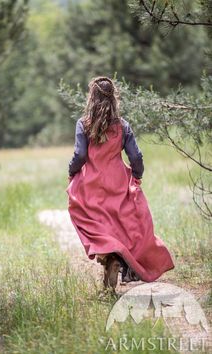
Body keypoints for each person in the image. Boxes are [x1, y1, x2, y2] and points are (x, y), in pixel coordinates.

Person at [66, 76, 174, 292]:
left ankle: (109, 259)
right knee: (124, 224)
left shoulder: (83, 123)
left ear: (91, 98)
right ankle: (117, 261)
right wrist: (137, 175)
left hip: (91, 184)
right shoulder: (122, 126)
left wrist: (72, 172)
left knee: (95, 224)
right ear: (114, 98)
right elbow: (136, 156)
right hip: (118, 182)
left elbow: (79, 155)